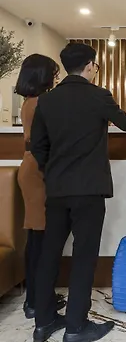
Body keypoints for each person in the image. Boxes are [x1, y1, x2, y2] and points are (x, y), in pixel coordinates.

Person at [30, 43, 126, 342]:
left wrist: (52, 171)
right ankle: (76, 327)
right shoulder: (99, 96)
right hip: (89, 190)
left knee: (50, 254)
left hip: (57, 189)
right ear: (90, 66)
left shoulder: (47, 100)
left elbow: (37, 146)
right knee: (83, 256)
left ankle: (43, 323)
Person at [15, 54, 66, 320]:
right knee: (40, 238)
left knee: (38, 236)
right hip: (38, 171)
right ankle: (34, 301)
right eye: (53, 74)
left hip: (32, 168)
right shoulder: (39, 103)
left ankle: (37, 296)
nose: (55, 78)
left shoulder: (30, 101)